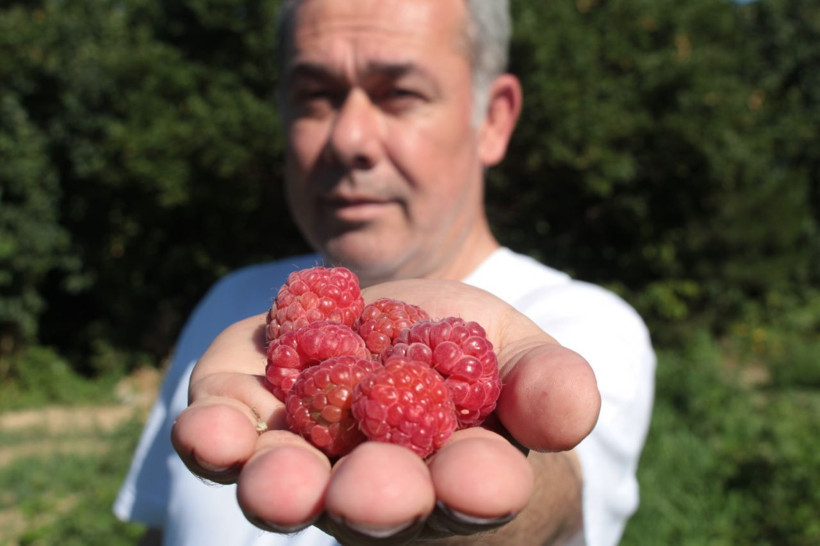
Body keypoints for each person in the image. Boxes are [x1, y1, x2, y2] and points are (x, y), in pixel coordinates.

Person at [113, 1, 656, 545]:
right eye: (315, 95)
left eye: (400, 94)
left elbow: (557, 501)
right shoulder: (232, 309)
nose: (349, 139)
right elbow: (165, 530)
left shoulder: (586, 322)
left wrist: (462, 504)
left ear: (493, 119)